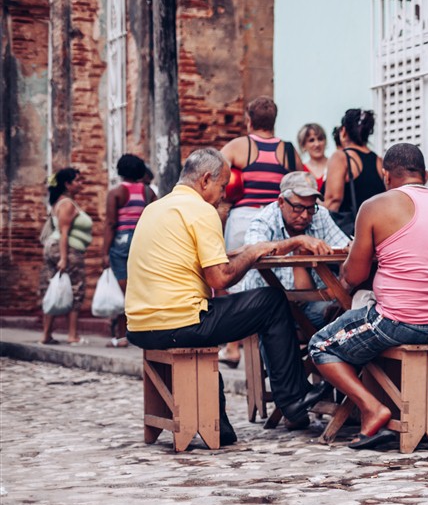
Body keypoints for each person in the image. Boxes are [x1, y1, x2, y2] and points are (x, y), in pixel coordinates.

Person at [125, 148, 330, 447]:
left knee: (226, 434)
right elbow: (220, 278)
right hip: (182, 323)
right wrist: (251, 252)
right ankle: (295, 399)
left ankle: (218, 422)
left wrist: (268, 247)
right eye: (222, 187)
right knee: (272, 301)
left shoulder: (155, 208)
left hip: (141, 326)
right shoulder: (201, 211)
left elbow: (212, 258)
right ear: (205, 180)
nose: (223, 196)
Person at [306, 143, 428, 450]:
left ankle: (372, 408)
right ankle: (417, 415)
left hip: (399, 322)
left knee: (321, 345)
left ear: (385, 176)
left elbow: (353, 277)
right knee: (373, 323)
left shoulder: (375, 206)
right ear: (426, 175)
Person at [217, 96, 303, 368]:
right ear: (274, 121)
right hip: (276, 217)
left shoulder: (239, 146)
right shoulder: (289, 151)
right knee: (276, 278)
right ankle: (273, 340)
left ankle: (232, 347)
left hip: (244, 217)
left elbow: (214, 170)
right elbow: (300, 186)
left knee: (237, 277)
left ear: (249, 120)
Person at [233, 170, 349, 328]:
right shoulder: (264, 220)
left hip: (312, 301)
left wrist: (342, 288)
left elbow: (345, 249)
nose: (305, 215)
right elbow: (253, 251)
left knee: (344, 315)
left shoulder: (319, 214)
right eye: (298, 207)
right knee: (278, 325)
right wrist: (297, 241)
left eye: (310, 208)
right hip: (266, 304)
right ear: (281, 202)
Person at [101, 154, 157, 347]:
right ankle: (145, 331)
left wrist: (104, 252)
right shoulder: (149, 193)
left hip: (121, 241)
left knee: (123, 289)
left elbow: (110, 223)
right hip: (143, 240)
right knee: (143, 286)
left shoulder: (116, 193)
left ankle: (123, 335)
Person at [40, 167, 92, 345]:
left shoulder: (60, 203)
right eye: (77, 180)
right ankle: (72, 335)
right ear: (67, 184)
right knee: (77, 289)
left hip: (54, 248)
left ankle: (47, 335)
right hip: (67, 250)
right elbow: (64, 233)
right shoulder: (67, 204)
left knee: (52, 288)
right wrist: (63, 258)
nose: (80, 183)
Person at [322, 108, 386, 236]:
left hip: (350, 236)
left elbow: (333, 201)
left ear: (344, 131)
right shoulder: (380, 161)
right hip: (377, 232)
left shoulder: (341, 158)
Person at [297, 123, 329, 190]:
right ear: (303, 146)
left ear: (325, 141)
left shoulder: (335, 166)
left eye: (320, 139)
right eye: (311, 140)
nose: (317, 144)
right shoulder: (300, 170)